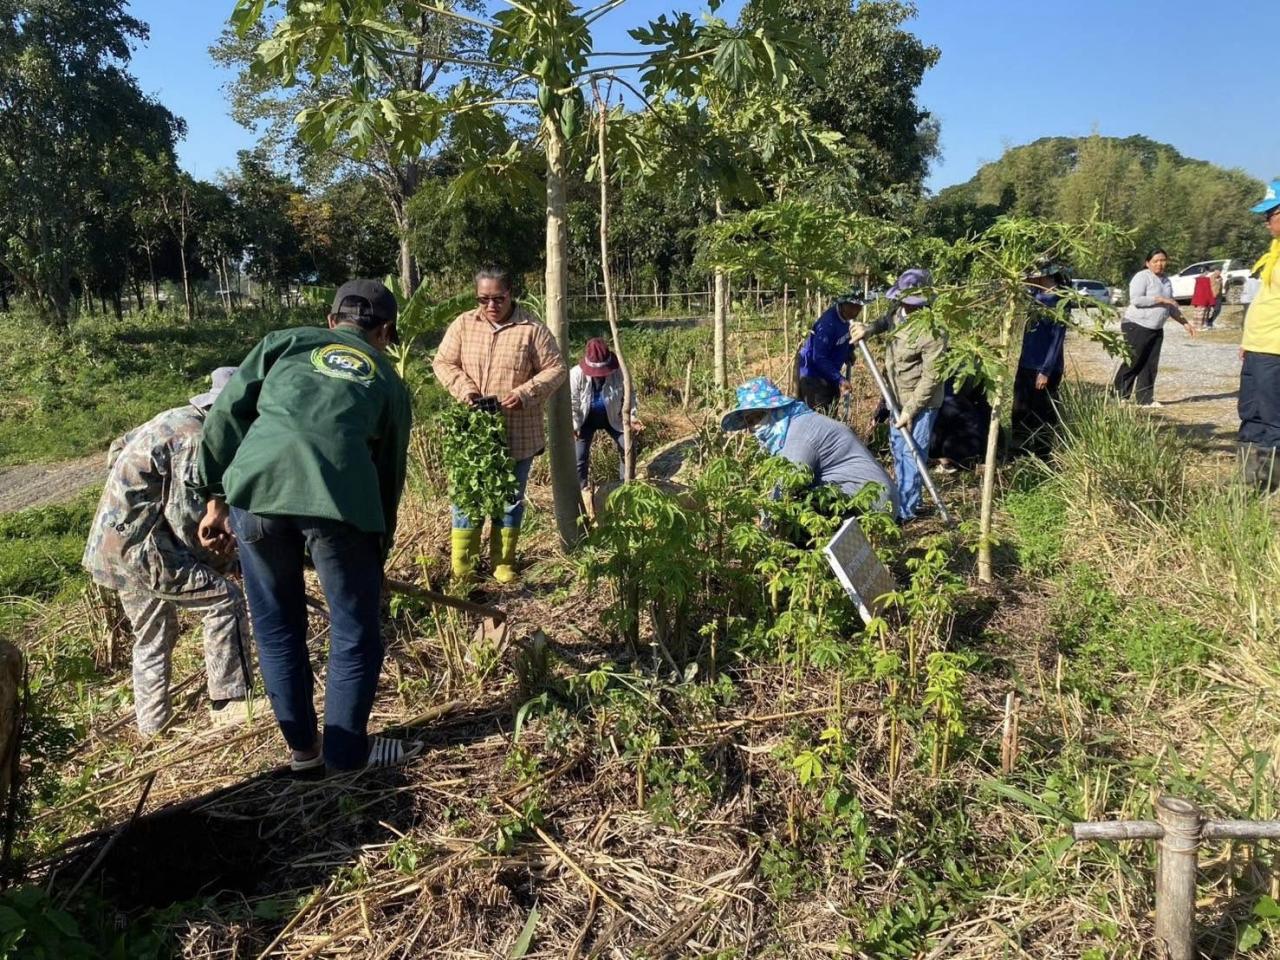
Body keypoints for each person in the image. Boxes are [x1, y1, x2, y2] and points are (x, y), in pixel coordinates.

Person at [195, 280, 414, 774]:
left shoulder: (285, 342)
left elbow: (228, 415)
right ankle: (345, 759)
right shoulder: (389, 380)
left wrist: (213, 499)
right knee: (354, 633)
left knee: (276, 629)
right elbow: (388, 475)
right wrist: (375, 552)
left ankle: (304, 754)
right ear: (385, 332)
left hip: (255, 495)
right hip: (341, 507)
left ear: (331, 319)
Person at [82, 368, 252, 738]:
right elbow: (188, 521)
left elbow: (117, 449)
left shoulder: (174, 419)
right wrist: (228, 561)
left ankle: (153, 729)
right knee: (225, 601)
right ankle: (231, 703)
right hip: (146, 549)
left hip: (113, 544)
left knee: (153, 633)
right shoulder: (197, 439)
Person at [432, 266, 568, 582]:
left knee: (509, 500)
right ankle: (463, 568)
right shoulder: (464, 325)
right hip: (473, 436)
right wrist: (465, 390)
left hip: (517, 434)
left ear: (511, 294)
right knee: (468, 499)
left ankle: (503, 563)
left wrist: (524, 393)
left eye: (498, 298)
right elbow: (443, 362)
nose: (491, 305)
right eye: (483, 299)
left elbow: (556, 369)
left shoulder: (531, 328)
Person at [721, 377, 897, 516]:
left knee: (796, 508)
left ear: (774, 410)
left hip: (872, 503)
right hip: (873, 498)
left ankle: (840, 558)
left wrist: (764, 533)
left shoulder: (799, 434)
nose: (754, 428)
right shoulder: (798, 423)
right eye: (749, 422)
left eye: (757, 417)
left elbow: (784, 488)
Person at [850, 268, 946, 522]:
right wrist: (867, 329)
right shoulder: (897, 312)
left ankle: (906, 511)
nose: (908, 305)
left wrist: (911, 410)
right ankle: (906, 497)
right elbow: (884, 322)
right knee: (898, 447)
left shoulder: (933, 330)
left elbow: (932, 377)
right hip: (894, 395)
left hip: (921, 402)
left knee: (912, 453)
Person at [1237, 180, 1280, 491]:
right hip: (1257, 346)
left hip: (1274, 349)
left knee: (1272, 416)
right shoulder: (1275, 251)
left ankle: (1270, 480)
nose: (1267, 222)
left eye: (1271, 214)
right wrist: (1247, 341)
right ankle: (1250, 477)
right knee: (1250, 412)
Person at [1112, 249, 1195, 407]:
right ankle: (1119, 394)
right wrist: (1160, 299)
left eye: (1163, 260)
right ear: (1147, 263)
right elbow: (1136, 300)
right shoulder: (1142, 277)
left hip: (1156, 327)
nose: (1160, 264)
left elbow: (1171, 306)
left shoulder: (1166, 281)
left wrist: (1185, 322)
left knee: (1150, 363)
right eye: (1156, 261)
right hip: (1136, 324)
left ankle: (1145, 399)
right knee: (1134, 360)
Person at [1011, 264, 1069, 458]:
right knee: (1020, 409)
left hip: (1045, 368)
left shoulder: (1059, 300)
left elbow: (1057, 339)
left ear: (1044, 276)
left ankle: (1043, 453)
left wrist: (1045, 370)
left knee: (1042, 412)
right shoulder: (1034, 295)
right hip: (1026, 363)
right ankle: (1020, 451)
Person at [571, 338, 642, 489]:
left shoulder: (620, 372)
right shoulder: (576, 375)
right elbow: (573, 403)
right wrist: (574, 426)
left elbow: (631, 395)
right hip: (585, 421)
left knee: (628, 447)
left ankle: (626, 487)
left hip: (614, 417)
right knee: (578, 457)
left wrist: (632, 417)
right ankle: (581, 491)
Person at [795, 293, 865, 412]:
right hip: (814, 376)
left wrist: (848, 351)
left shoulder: (848, 319)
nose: (856, 310)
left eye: (859, 306)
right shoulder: (828, 324)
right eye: (852, 306)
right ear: (843, 304)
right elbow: (819, 358)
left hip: (830, 372)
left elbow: (841, 340)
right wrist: (840, 379)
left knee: (831, 412)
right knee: (820, 416)